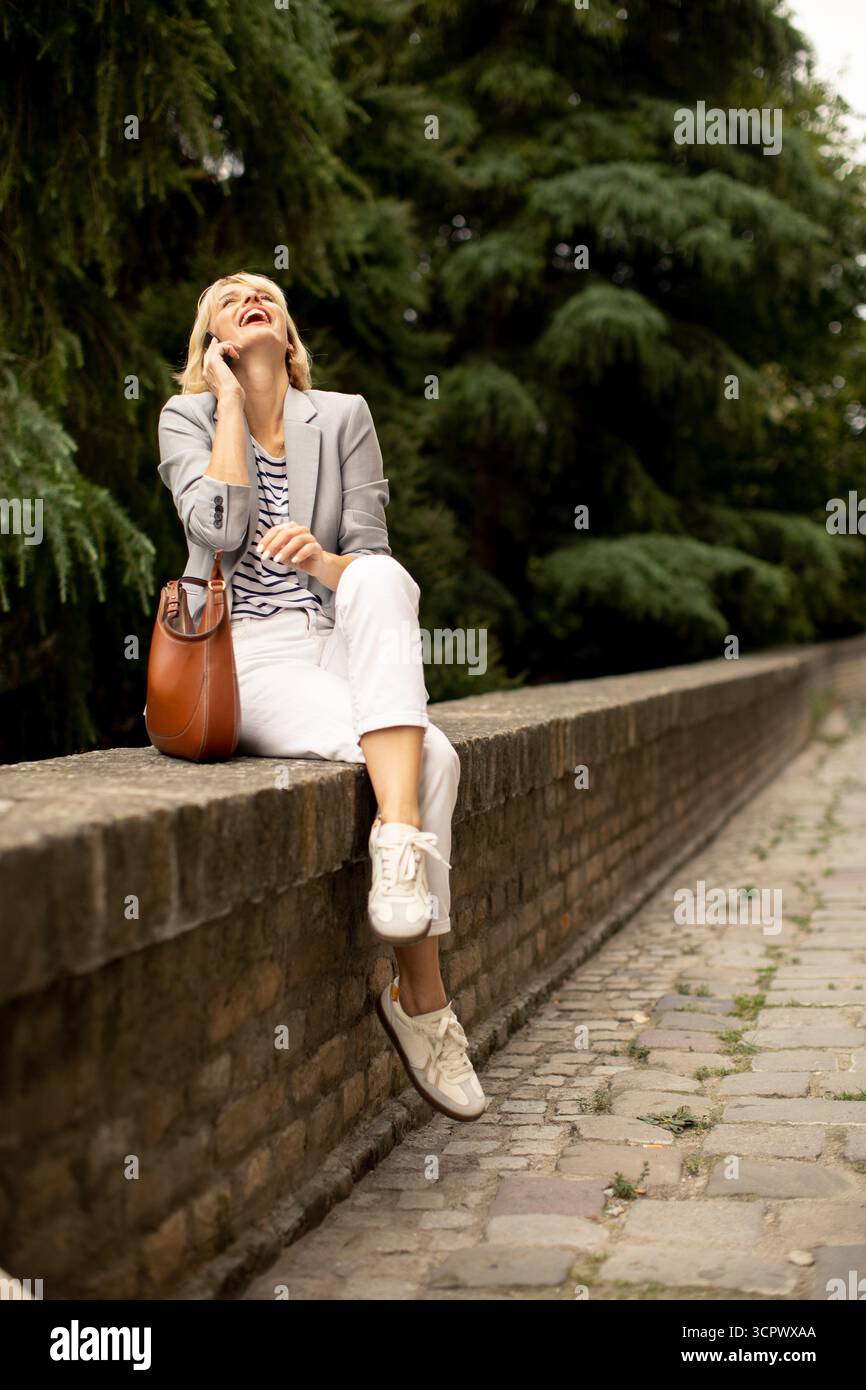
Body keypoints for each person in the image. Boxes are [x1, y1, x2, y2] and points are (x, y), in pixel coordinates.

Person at [157, 271, 486, 1122]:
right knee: (434, 754)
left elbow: (371, 562)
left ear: (290, 334)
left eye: (262, 292)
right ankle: (425, 1006)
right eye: (226, 300)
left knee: (378, 575)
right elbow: (218, 531)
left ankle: (396, 846)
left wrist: (322, 563)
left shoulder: (342, 415)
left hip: (339, 639)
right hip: (244, 660)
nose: (248, 298)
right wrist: (228, 404)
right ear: (212, 344)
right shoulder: (184, 418)